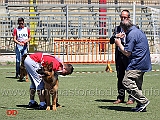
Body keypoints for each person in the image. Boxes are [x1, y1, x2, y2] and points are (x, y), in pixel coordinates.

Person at [114, 19, 152, 112]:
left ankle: (143, 101)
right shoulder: (138, 31)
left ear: (123, 28)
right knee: (137, 84)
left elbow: (127, 53)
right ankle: (141, 106)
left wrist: (119, 44)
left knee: (126, 81)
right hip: (144, 62)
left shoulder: (131, 34)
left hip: (137, 62)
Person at [110, 10, 135, 104]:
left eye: (125, 17)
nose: (123, 19)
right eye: (122, 17)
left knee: (130, 77)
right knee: (120, 77)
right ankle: (120, 97)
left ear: (129, 18)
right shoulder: (117, 28)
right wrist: (116, 36)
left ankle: (131, 97)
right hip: (119, 56)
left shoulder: (134, 28)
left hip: (129, 56)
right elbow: (111, 41)